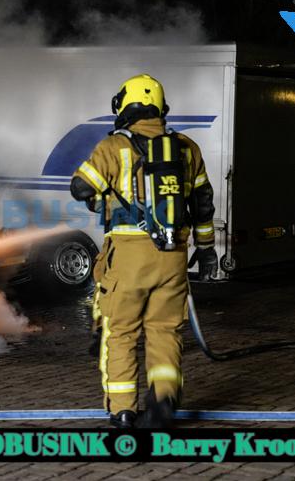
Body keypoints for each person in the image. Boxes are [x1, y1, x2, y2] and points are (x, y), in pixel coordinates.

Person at [70, 74, 218, 428]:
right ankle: (164, 400)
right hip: (173, 256)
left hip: (129, 258)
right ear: (160, 107)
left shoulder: (114, 147)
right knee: (165, 331)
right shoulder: (187, 147)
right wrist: (207, 249)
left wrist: (104, 197)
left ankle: (123, 410)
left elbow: (79, 187)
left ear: (125, 106)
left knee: (120, 333)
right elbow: (203, 202)